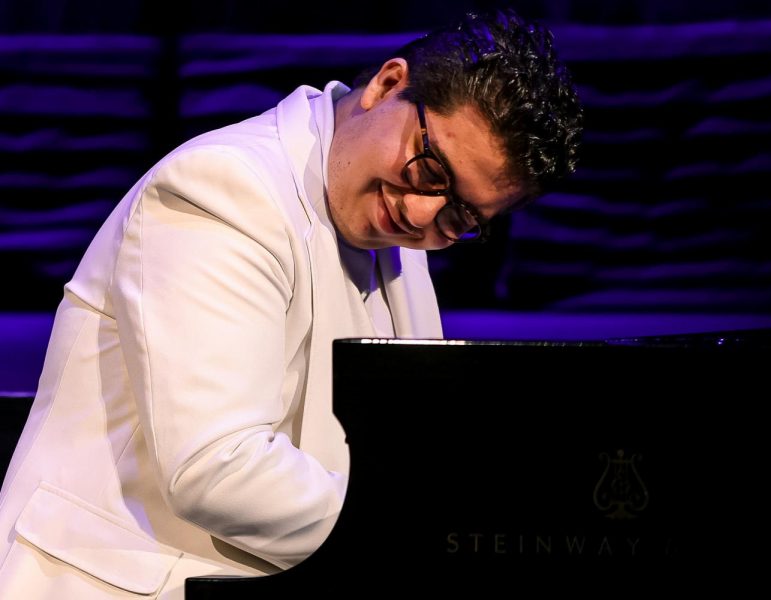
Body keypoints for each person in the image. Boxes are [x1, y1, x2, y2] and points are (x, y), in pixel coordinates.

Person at [0, 8, 582, 598]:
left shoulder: (399, 235)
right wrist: (429, 529)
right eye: (431, 168)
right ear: (386, 85)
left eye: (461, 214)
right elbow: (213, 467)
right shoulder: (223, 188)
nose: (422, 213)